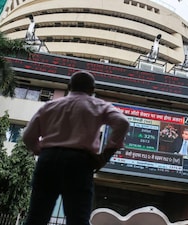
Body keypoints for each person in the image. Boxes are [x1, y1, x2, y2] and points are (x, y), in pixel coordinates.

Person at [22, 71, 129, 225]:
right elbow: (123, 122)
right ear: (92, 89)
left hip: (48, 161)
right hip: (79, 163)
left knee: (36, 217)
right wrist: (106, 153)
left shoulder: (50, 106)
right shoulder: (98, 105)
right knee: (78, 219)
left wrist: (41, 150)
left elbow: (27, 137)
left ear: (69, 87)